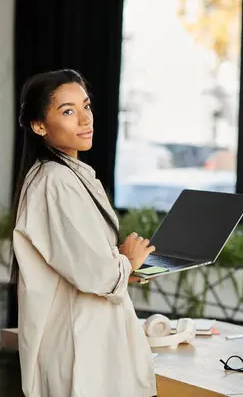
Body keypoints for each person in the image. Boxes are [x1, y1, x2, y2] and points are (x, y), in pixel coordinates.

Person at [11, 69, 156, 397]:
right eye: (67, 111)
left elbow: (77, 260)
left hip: (87, 338)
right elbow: (96, 275)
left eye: (86, 106)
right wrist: (126, 262)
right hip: (79, 344)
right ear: (39, 125)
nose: (84, 119)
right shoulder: (56, 181)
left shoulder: (69, 175)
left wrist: (121, 263)